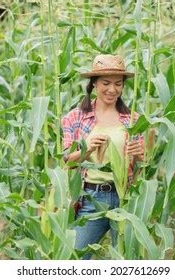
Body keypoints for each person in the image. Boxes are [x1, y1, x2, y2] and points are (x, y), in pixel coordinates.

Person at [61, 54, 144, 259]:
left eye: (118, 84)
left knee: (126, 260)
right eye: (105, 83)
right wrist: (86, 149)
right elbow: (67, 161)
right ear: (94, 84)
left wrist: (140, 156)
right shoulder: (74, 117)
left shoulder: (134, 120)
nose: (112, 89)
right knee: (74, 258)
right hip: (91, 199)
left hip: (125, 198)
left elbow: (141, 165)